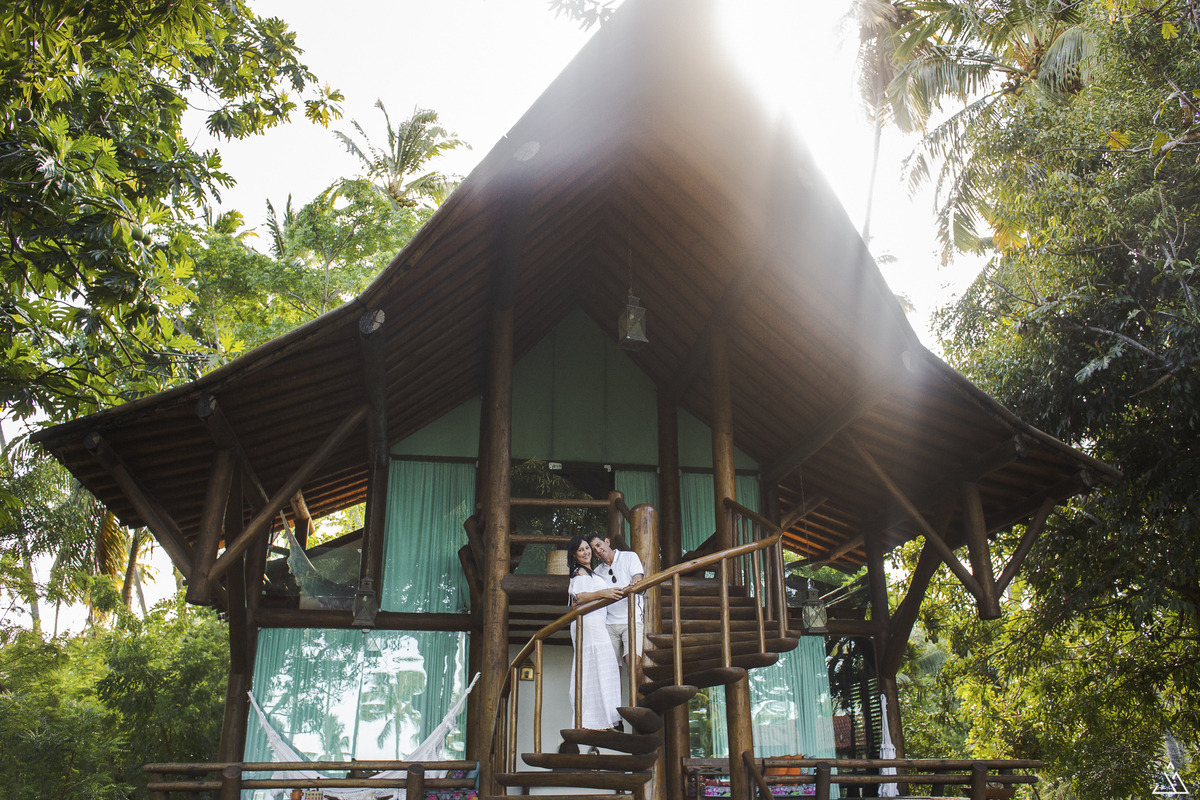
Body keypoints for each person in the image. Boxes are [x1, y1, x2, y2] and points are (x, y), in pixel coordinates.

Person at [566, 535, 623, 730]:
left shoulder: (592, 572)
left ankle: (608, 717)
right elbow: (578, 598)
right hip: (588, 623)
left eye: (587, 548)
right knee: (599, 664)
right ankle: (597, 718)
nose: (586, 552)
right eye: (581, 550)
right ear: (574, 555)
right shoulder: (579, 572)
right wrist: (603, 593)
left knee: (603, 666)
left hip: (597, 622)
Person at [587, 534, 645, 686]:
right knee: (611, 670)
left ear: (607, 542)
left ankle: (637, 702)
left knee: (633, 662)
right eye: (594, 549)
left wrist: (635, 583)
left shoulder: (629, 557)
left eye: (599, 545)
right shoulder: (597, 572)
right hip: (608, 623)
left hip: (631, 619)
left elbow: (639, 579)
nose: (598, 550)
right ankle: (613, 708)